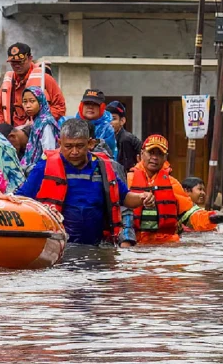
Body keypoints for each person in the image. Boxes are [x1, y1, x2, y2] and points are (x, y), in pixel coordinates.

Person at [15, 119, 153, 246]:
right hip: (58, 246)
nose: (74, 152)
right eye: (68, 146)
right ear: (60, 143)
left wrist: (142, 198)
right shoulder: (44, 167)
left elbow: (125, 197)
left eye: (80, 146)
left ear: (90, 144)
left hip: (97, 245)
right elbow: (21, 199)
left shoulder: (103, 168)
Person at [127, 135, 223, 244]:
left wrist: (211, 218)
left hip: (167, 244)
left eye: (159, 154)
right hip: (135, 243)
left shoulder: (172, 184)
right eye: (151, 152)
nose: (154, 157)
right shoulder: (128, 180)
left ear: (165, 157)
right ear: (142, 154)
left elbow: (190, 215)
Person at [0, 42, 66, 126]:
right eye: (13, 62)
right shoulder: (8, 83)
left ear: (30, 58)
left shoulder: (45, 79)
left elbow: (60, 107)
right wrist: (1, 127)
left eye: (20, 62)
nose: (16, 66)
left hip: (38, 132)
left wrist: (39, 121)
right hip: (13, 135)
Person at [62, 89, 118, 160]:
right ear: (81, 105)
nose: (90, 107)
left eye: (95, 104)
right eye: (87, 103)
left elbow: (108, 156)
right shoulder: (66, 123)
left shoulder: (107, 129)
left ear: (102, 107)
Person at [20, 86, 60, 168]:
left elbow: (49, 151)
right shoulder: (37, 121)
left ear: (40, 102)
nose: (27, 105)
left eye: (32, 101)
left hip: (41, 170)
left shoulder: (46, 123)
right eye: (25, 102)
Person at [106, 101, 141, 172]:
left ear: (122, 121)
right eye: (107, 118)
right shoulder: (105, 138)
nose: (109, 122)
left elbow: (125, 168)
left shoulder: (126, 139)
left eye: (113, 119)